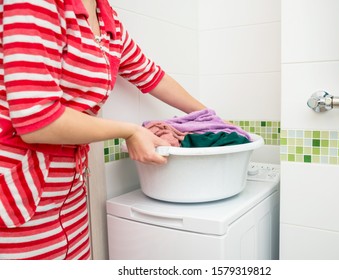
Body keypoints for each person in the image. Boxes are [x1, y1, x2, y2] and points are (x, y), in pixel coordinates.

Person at [0, 0, 206, 259]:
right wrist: (130, 131)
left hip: (70, 190)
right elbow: (37, 118)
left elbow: (150, 74)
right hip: (16, 190)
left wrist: (208, 116)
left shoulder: (108, 20)